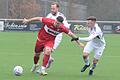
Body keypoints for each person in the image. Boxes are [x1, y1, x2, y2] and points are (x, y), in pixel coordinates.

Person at [45, 2, 70, 69]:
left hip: (57, 36)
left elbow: (67, 26)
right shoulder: (49, 15)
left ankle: (44, 67)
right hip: (49, 35)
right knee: (44, 50)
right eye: (51, 8)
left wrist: (60, 27)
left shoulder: (61, 16)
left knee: (48, 50)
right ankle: (49, 60)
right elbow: (45, 23)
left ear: (57, 8)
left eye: (54, 8)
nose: (52, 10)